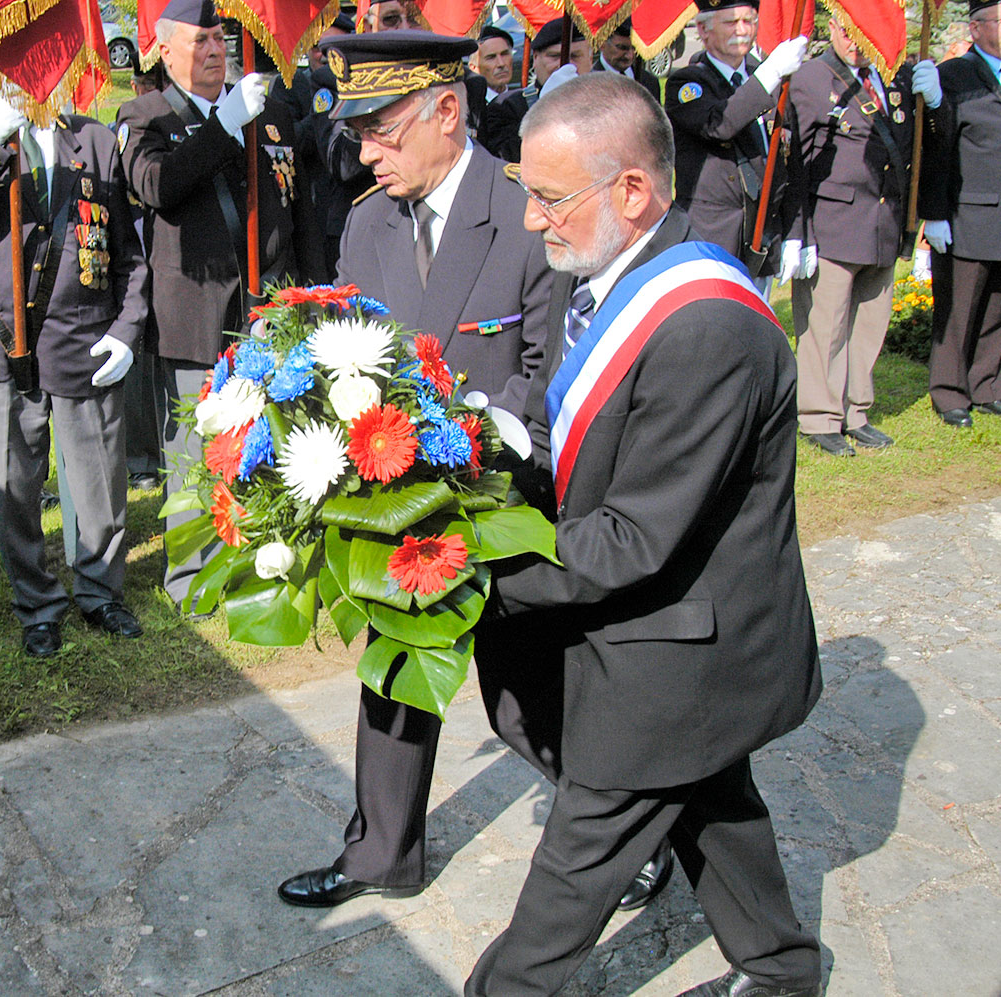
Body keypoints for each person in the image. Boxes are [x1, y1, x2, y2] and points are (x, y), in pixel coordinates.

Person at [461, 72, 823, 997]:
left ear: (631, 191)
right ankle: (782, 969)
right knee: (710, 802)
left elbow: (630, 540)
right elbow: (570, 429)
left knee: (590, 836)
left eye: (550, 198)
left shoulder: (700, 322)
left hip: (677, 652)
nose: (535, 222)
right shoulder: (612, 276)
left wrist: (469, 566)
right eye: (528, 194)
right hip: (660, 627)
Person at [274, 28, 560, 909]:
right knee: (394, 680)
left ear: (447, 111)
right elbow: (351, 358)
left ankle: (627, 820)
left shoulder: (527, 210)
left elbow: (556, 367)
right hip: (401, 504)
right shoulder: (367, 223)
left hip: (505, 497)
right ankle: (380, 854)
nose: (364, 154)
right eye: (357, 134)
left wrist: (479, 435)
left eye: (382, 131)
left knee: (527, 699)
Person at [116, 0, 322, 607]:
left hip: (269, 309)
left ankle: (263, 560)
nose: (214, 50)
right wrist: (223, 126)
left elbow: (298, 209)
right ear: (165, 48)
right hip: (195, 315)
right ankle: (190, 576)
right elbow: (159, 185)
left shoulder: (270, 110)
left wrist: (313, 291)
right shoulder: (144, 116)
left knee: (268, 441)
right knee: (193, 454)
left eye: (220, 38)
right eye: (200, 40)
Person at [0, 91, 150, 658]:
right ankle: (36, 603)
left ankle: (101, 590)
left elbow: (127, 252)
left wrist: (127, 331)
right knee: (14, 483)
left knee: (100, 478)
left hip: (84, 337)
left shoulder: (96, 140)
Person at [785, 22, 943, 455]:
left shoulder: (897, 76)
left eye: (865, 31)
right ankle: (819, 415)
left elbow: (922, 147)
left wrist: (937, 104)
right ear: (834, 25)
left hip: (883, 222)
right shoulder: (811, 77)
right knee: (826, 325)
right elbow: (796, 160)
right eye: (848, 29)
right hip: (833, 221)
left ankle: (856, 411)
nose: (856, 40)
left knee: (870, 324)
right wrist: (799, 233)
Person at [664, 0, 807, 277]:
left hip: (763, 234)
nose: (742, 30)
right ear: (704, 31)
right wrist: (771, 73)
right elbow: (720, 124)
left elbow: (789, 160)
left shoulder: (767, 79)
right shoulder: (688, 83)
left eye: (749, 21)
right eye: (731, 22)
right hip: (713, 237)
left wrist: (794, 233)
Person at [919, 0, 1001, 428]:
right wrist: (933, 213)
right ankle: (950, 391)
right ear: (975, 28)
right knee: (958, 308)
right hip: (967, 209)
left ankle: (987, 384)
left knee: (996, 307)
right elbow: (937, 149)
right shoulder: (953, 76)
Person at [481, 17, 594, 163]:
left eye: (575, 56)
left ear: (590, 60)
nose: (565, 65)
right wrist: (546, 107)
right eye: (554, 57)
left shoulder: (608, 102)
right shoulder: (506, 107)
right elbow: (506, 161)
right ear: (535, 59)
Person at [595, 19, 662, 100]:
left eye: (634, 48)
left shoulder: (650, 82)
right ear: (602, 44)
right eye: (622, 48)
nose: (629, 56)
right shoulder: (590, 82)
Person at [470, 25, 515, 103]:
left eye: (504, 54)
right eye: (491, 57)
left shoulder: (522, 99)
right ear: (474, 68)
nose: (501, 64)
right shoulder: (469, 107)